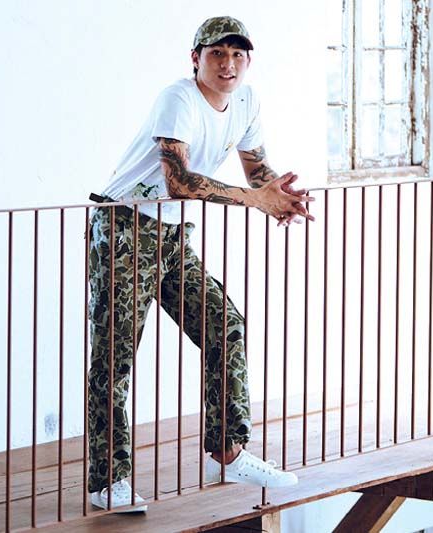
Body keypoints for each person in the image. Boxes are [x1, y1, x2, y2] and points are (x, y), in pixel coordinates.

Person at [88, 15, 314, 512]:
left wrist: (279, 195)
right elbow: (181, 182)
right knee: (114, 355)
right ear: (196, 59)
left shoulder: (247, 102)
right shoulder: (179, 99)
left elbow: (256, 170)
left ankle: (227, 454)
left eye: (237, 55)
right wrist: (256, 200)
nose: (227, 64)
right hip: (123, 228)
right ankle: (107, 480)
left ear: (248, 60)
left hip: (171, 234)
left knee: (224, 324)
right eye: (216, 54)